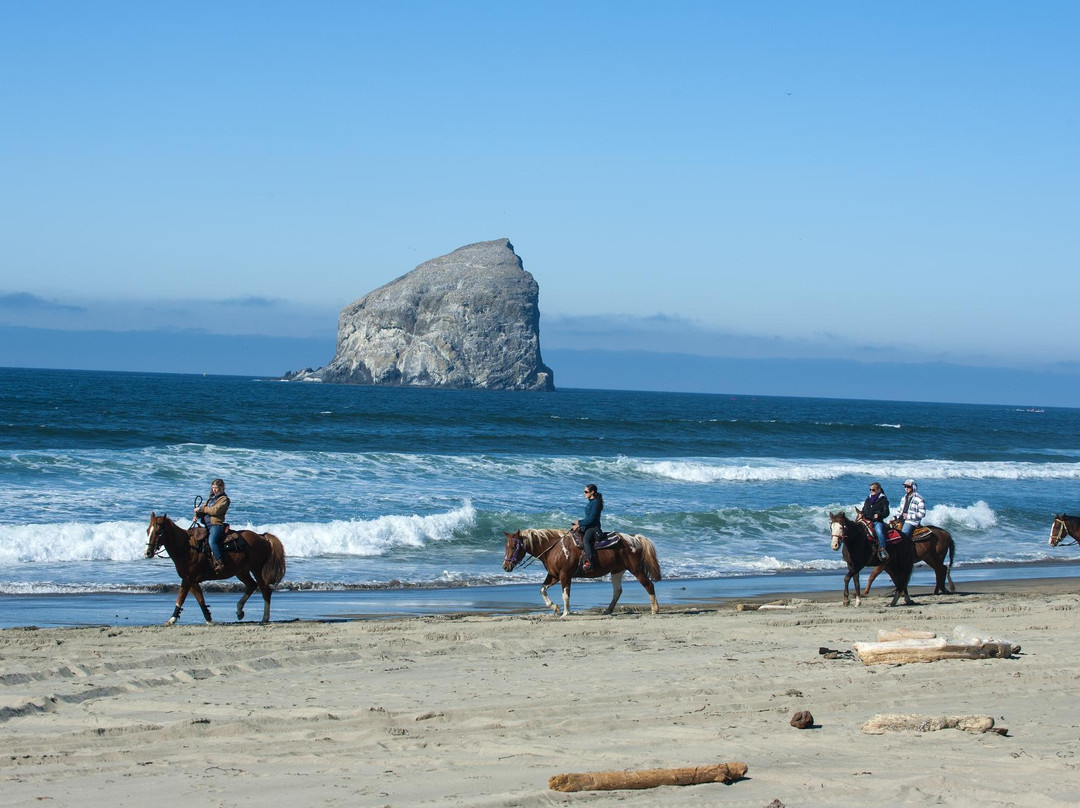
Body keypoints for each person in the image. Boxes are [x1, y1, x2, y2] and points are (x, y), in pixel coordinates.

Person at [194, 478, 230, 574]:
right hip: (206, 525)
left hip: (216, 525)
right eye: (213, 487)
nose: (214, 489)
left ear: (221, 488)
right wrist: (197, 515)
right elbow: (204, 510)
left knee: (212, 541)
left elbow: (215, 511)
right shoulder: (210, 499)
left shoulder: (224, 499)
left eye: (216, 488)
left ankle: (220, 563)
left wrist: (201, 508)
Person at [572, 483, 604, 573]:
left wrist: (579, 523)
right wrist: (578, 522)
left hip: (594, 528)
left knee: (585, 540)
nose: (584, 494)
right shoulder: (591, 502)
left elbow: (592, 519)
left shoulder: (595, 503)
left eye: (586, 492)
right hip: (589, 525)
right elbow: (588, 518)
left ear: (592, 492)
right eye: (584, 491)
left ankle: (590, 561)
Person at [860, 481, 890, 561]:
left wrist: (879, 515)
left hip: (877, 521)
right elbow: (864, 509)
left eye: (873, 490)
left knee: (879, 532)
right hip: (866, 520)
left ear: (878, 490)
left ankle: (883, 550)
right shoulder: (868, 499)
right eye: (870, 489)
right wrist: (861, 513)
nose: (871, 491)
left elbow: (886, 512)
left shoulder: (883, 500)